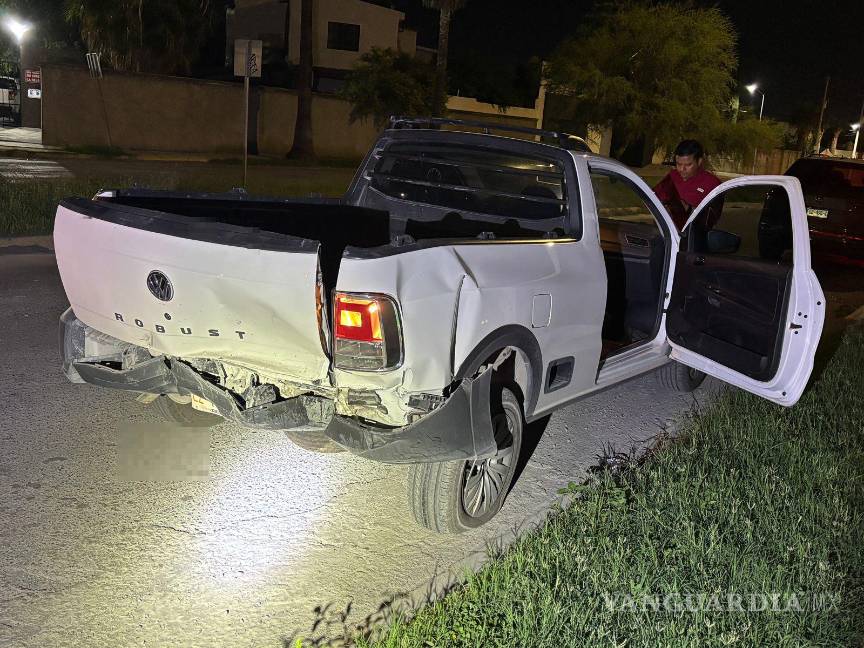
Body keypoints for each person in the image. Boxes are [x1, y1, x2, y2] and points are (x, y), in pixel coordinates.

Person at [653, 140, 721, 230]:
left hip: (693, 234)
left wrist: (688, 209)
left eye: (688, 165)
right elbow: (654, 199)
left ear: (699, 161)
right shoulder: (673, 175)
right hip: (666, 232)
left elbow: (711, 219)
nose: (682, 169)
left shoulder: (713, 183)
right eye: (678, 164)